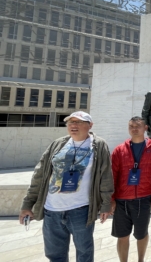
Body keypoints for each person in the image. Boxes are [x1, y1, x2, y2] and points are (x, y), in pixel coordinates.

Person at [19, 111, 113, 262]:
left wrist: (106, 204)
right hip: (52, 211)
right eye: (70, 122)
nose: (73, 125)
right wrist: (27, 203)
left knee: (84, 254)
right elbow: (40, 175)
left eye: (79, 122)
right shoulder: (58, 144)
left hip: (81, 211)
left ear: (90, 125)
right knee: (55, 255)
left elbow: (106, 177)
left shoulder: (98, 145)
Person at [111, 116, 151, 262]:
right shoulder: (119, 150)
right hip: (122, 200)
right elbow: (113, 175)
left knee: (141, 234)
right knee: (122, 235)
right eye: (131, 126)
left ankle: (141, 259)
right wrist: (112, 198)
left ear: (145, 128)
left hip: (143, 198)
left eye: (138, 126)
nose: (134, 129)